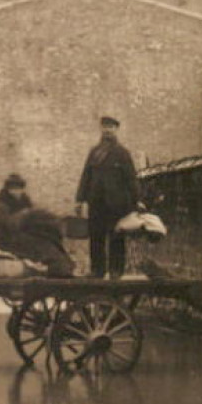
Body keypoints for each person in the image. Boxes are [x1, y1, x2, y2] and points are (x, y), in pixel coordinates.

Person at [74, 115, 143, 280]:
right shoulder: (94, 152)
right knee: (96, 237)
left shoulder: (122, 153)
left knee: (116, 238)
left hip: (117, 204)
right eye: (105, 127)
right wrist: (79, 199)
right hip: (96, 202)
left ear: (116, 130)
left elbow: (131, 179)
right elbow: (86, 176)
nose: (107, 130)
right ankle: (97, 270)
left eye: (111, 127)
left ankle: (115, 271)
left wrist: (137, 200)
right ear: (101, 129)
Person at [0, 173, 74, 278]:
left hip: (25, 235)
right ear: (8, 189)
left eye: (19, 188)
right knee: (41, 246)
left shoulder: (26, 202)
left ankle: (62, 268)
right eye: (13, 188)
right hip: (10, 240)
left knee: (48, 243)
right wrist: (23, 217)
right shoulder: (1, 206)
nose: (16, 191)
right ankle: (58, 269)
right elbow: (3, 227)